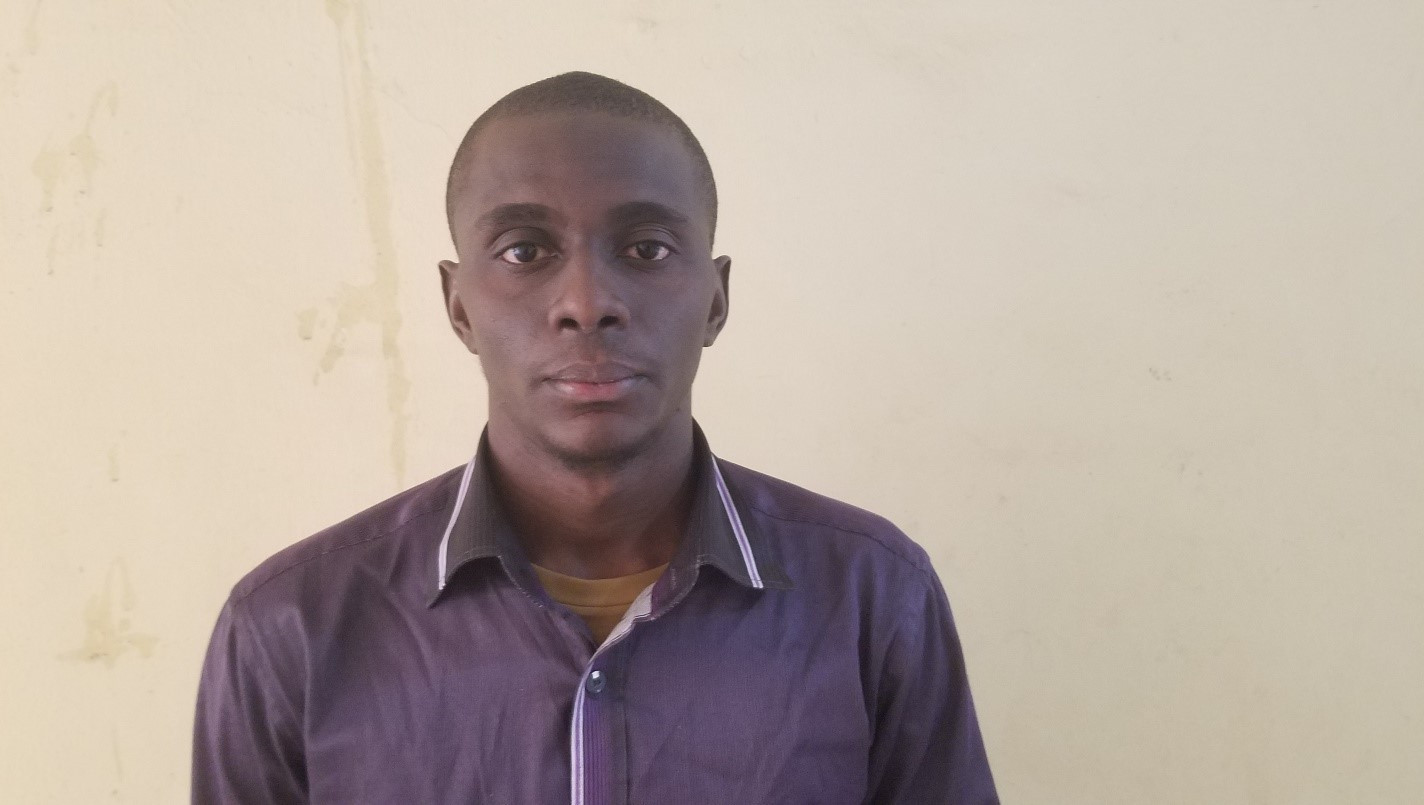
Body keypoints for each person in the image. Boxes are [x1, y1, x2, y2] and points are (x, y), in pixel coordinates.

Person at [192, 71, 999, 804]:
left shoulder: (871, 596)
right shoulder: (292, 626)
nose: (586, 302)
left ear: (715, 299)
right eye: (524, 250)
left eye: (646, 249)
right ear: (459, 306)